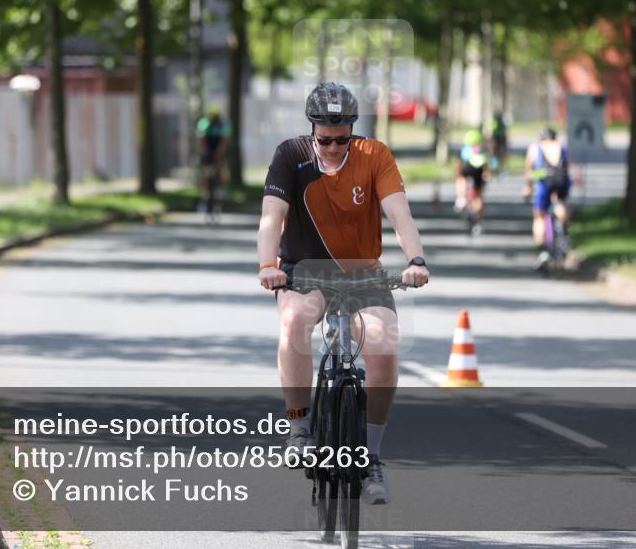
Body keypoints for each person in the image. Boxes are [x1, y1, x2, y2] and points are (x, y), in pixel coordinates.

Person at [257, 82, 430, 506]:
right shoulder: (290, 155)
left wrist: (416, 260)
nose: (333, 148)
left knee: (384, 345)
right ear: (312, 130)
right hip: (304, 270)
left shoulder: (375, 156)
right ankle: (299, 427)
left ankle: (370, 457)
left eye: (342, 139)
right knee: (293, 324)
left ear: (352, 130)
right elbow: (270, 217)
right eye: (325, 140)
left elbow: (399, 212)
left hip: (362, 273)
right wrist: (267, 266)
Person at [523, 127, 572, 266]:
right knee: (561, 205)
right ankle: (564, 234)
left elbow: (529, 170)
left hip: (545, 182)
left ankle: (543, 249)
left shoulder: (535, 147)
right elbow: (567, 168)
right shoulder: (562, 147)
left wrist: (528, 187)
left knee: (539, 216)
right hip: (561, 181)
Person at [195, 108, 231, 216]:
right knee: (205, 173)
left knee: (221, 169)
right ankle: (204, 195)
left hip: (217, 148)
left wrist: (220, 153)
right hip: (208, 149)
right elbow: (202, 140)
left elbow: (224, 141)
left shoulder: (223, 124)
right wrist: (206, 153)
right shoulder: (205, 123)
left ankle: (221, 186)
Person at [454, 128, 490, 233]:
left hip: (466, 169)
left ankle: (461, 198)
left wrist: (457, 174)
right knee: (479, 197)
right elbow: (486, 166)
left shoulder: (464, 150)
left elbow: (458, 165)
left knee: (461, 178)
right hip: (479, 172)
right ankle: (478, 222)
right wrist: (487, 174)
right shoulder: (482, 150)